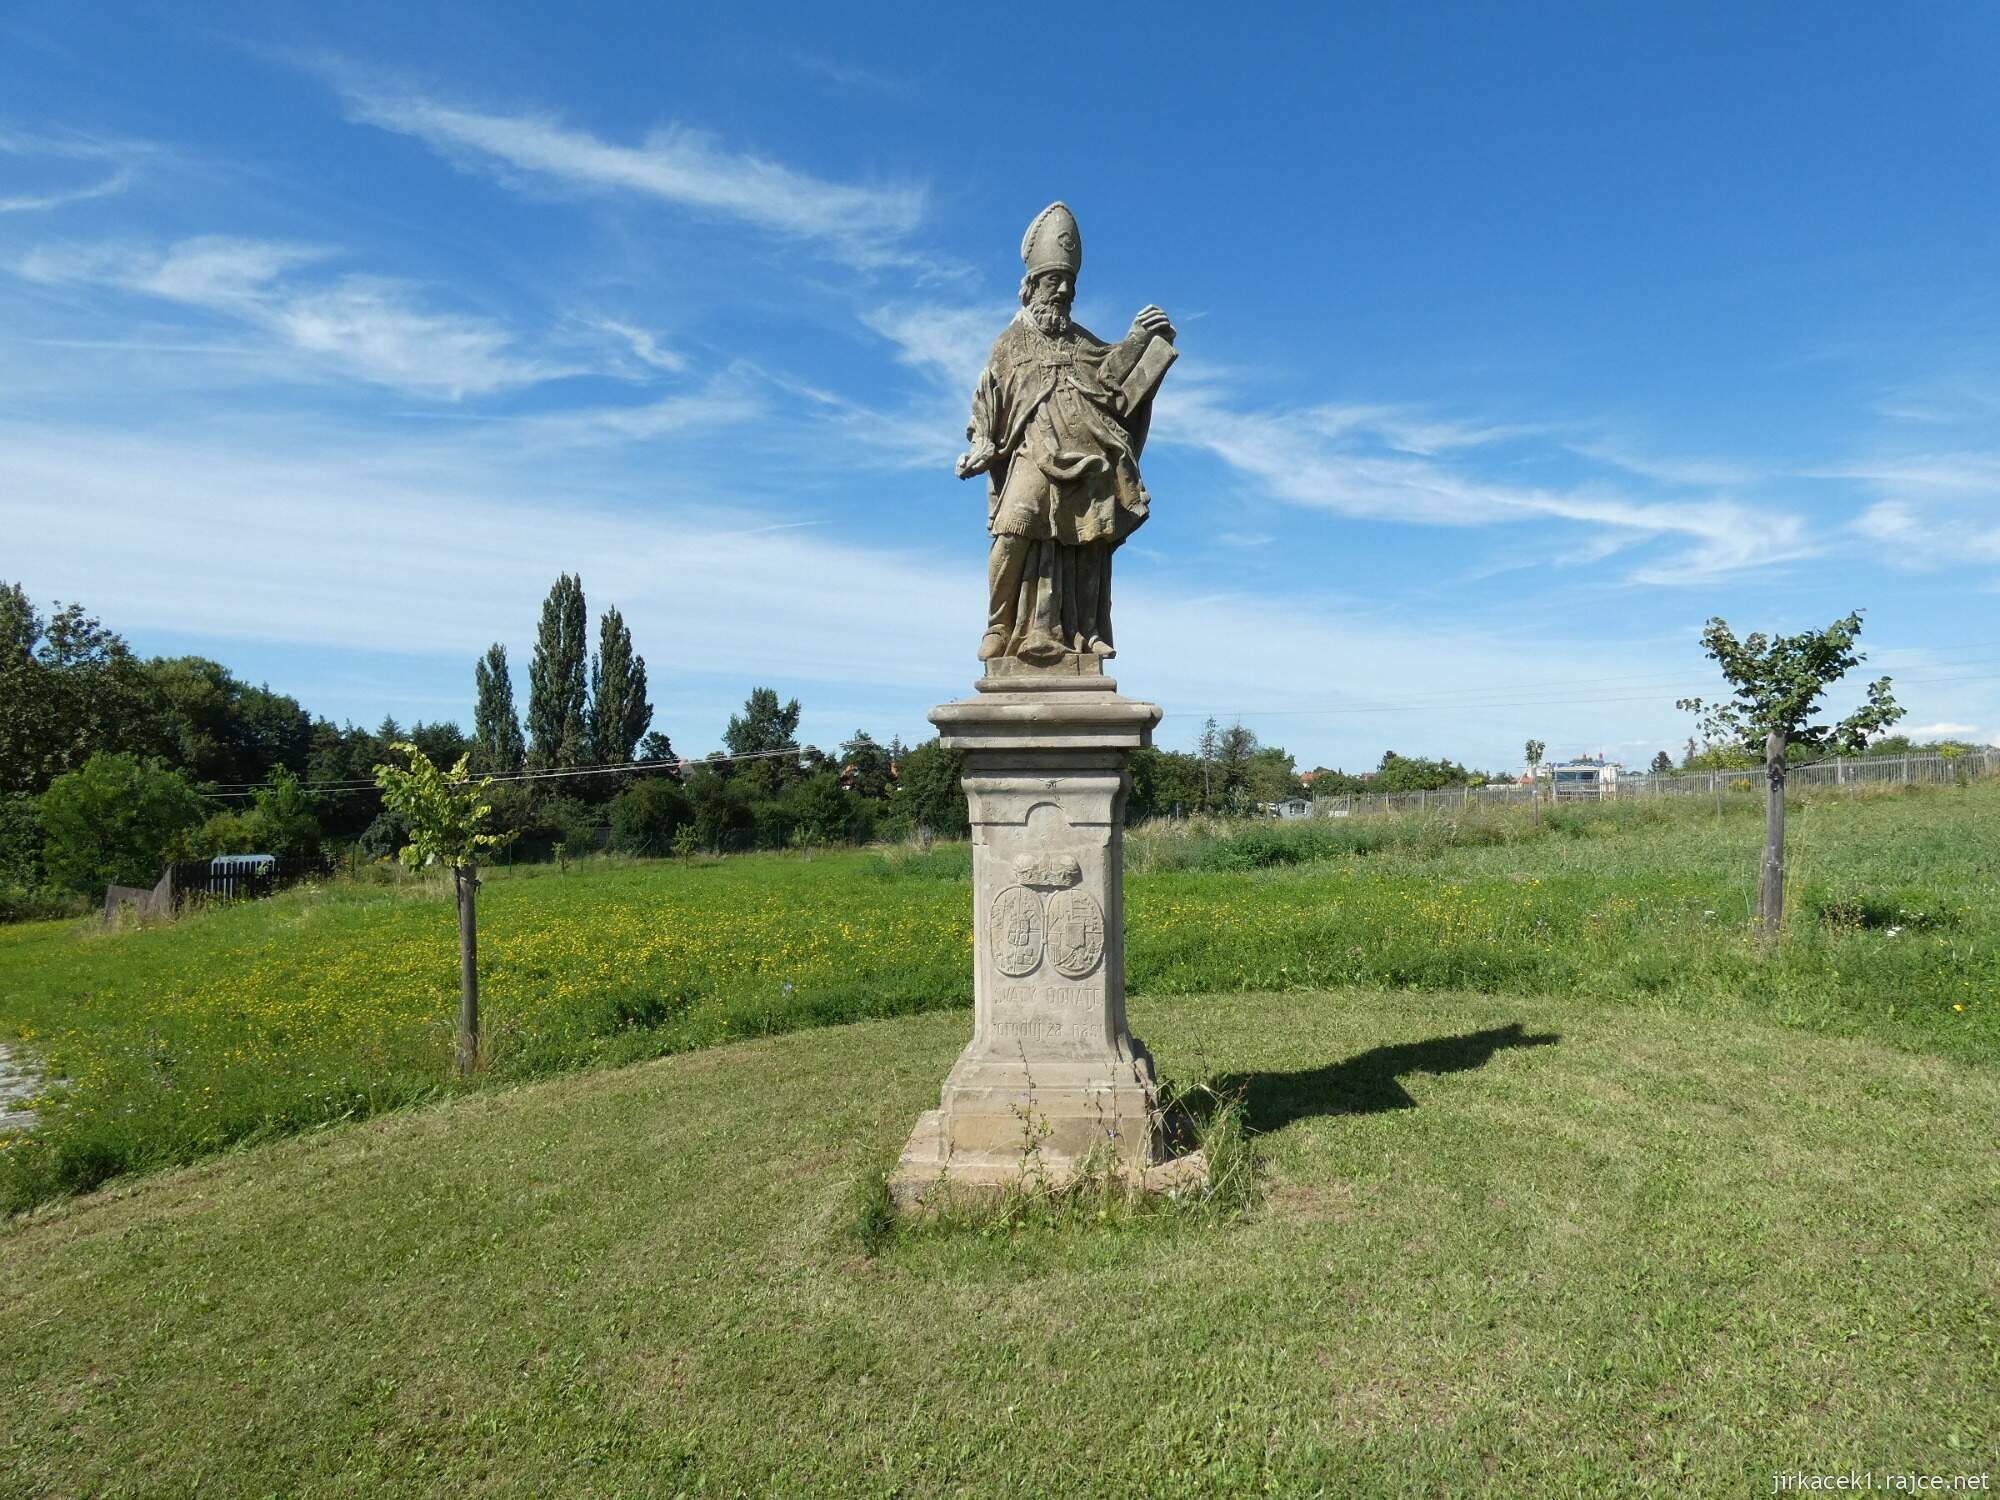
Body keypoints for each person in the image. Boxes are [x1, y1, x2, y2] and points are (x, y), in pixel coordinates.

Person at [955, 202, 1176, 664]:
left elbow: (1111, 383)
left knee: (1091, 535)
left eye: (1068, 284)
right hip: (1032, 454)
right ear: (1031, 285)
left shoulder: (1080, 339)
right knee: (1013, 530)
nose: (1062, 291)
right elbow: (988, 404)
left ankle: (1086, 629)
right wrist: (979, 447)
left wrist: (1139, 339)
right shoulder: (1009, 342)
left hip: (1085, 453)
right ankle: (997, 626)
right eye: (1053, 281)